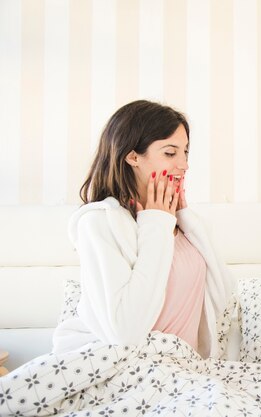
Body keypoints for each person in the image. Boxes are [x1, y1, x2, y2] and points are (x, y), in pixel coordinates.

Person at [52, 100, 234, 358]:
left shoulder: (182, 223)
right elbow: (126, 330)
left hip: (186, 369)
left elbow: (223, 300)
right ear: (132, 156)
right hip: (128, 368)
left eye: (186, 152)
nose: (184, 165)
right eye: (170, 153)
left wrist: (182, 217)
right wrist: (156, 225)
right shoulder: (99, 222)